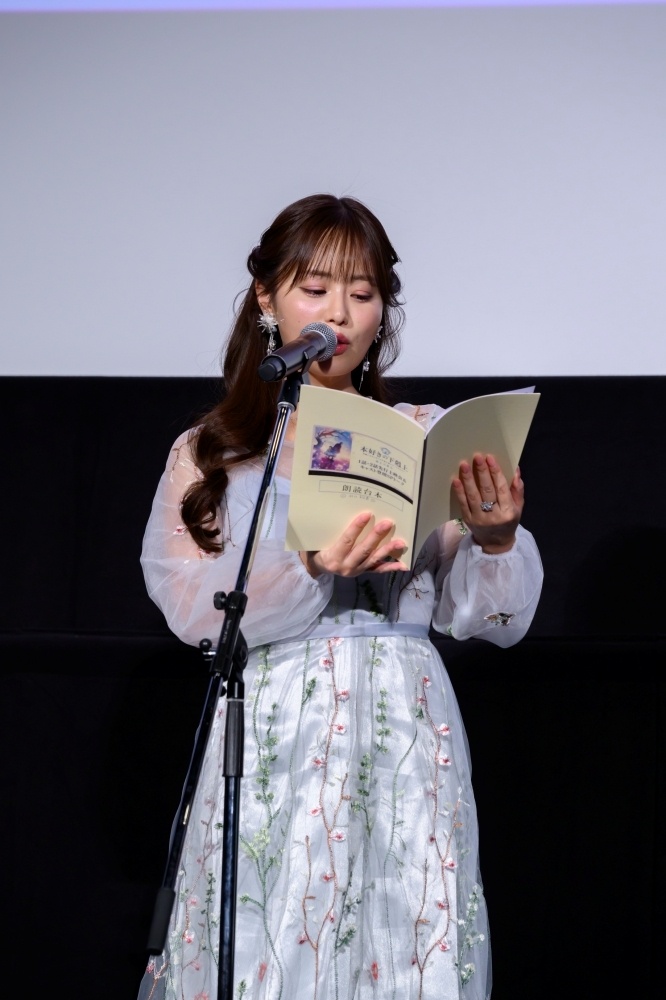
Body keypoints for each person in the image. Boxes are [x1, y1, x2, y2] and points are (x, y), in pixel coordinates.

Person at [138, 194, 543, 1000]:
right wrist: (308, 564)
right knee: (272, 937)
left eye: (362, 293)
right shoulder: (215, 452)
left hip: (405, 727)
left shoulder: (419, 433)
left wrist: (495, 539)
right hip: (275, 723)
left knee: (408, 943)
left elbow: (489, 619)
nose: (340, 314)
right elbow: (190, 605)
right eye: (316, 288)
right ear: (267, 298)